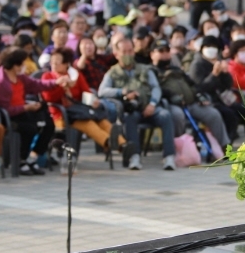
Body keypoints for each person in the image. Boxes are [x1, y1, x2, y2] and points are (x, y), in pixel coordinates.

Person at [98, 38, 179, 171]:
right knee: (130, 118)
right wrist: (121, 92)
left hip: (150, 107)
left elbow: (156, 88)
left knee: (166, 115)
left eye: (130, 51)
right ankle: (134, 156)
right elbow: (102, 91)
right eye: (124, 51)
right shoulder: (112, 72)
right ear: (116, 53)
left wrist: (152, 104)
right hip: (131, 110)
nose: (128, 54)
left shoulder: (145, 69)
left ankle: (169, 157)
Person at [0, 48, 64, 175]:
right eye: (21, 64)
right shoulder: (1, 81)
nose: (23, 66)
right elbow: (5, 109)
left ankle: (32, 156)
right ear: (13, 65)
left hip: (22, 110)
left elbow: (37, 85)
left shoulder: (21, 78)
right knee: (30, 128)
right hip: (8, 116)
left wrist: (56, 82)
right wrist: (25, 108)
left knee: (48, 123)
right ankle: (20, 160)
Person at [151, 40, 230, 150]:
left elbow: (193, 85)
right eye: (161, 51)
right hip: (170, 104)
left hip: (190, 103)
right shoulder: (151, 71)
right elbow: (155, 89)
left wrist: (199, 95)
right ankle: (180, 148)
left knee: (213, 114)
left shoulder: (176, 69)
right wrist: (170, 96)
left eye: (167, 50)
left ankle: (224, 147)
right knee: (178, 116)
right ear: (152, 54)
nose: (165, 53)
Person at [42, 47, 120, 153]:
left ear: (66, 64)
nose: (54, 65)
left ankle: (123, 144)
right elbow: (48, 98)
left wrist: (93, 101)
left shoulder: (75, 75)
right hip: (62, 114)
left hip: (79, 111)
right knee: (88, 124)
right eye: (52, 62)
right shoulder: (47, 77)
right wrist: (62, 87)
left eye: (57, 62)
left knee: (102, 121)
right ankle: (109, 142)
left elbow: (86, 91)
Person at [190, 35, 242, 142]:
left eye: (213, 47)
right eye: (208, 46)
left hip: (222, 98)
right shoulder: (197, 64)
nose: (211, 49)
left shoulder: (218, 62)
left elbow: (227, 85)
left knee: (241, 111)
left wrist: (225, 73)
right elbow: (200, 87)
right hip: (207, 100)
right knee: (229, 115)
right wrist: (214, 75)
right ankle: (225, 145)